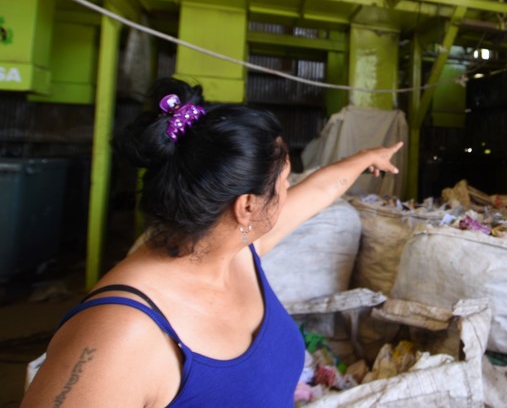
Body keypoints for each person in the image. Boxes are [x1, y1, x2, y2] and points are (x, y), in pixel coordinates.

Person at [21, 78, 402, 407]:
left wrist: (365, 158)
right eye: (285, 181)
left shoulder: (235, 250)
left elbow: (317, 191)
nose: (290, 190)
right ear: (246, 206)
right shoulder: (120, 335)